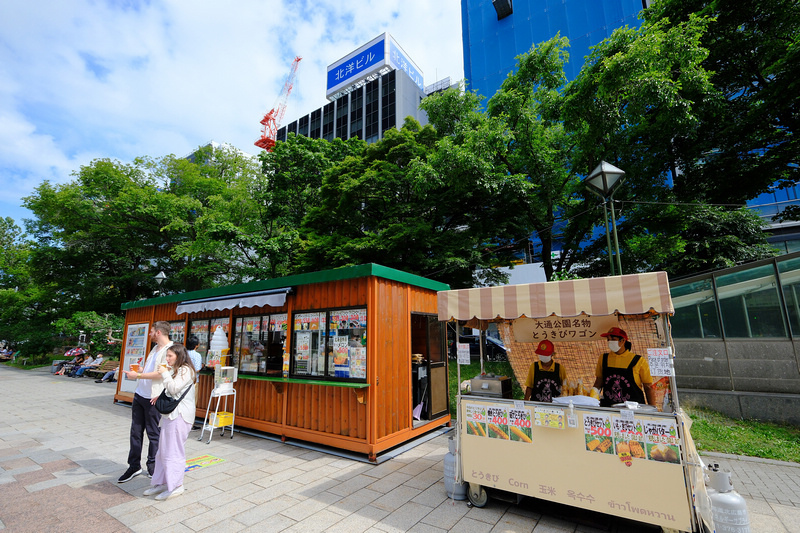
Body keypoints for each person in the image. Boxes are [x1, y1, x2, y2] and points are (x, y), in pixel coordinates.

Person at [118, 321, 173, 483]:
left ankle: (153, 466)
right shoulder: (154, 349)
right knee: (135, 432)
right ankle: (134, 465)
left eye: (152, 331)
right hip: (140, 395)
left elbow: (162, 374)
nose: (149, 334)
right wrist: (141, 371)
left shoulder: (170, 350)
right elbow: (152, 370)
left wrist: (139, 376)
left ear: (158, 333)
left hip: (153, 397)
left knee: (153, 434)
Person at [143, 343, 196, 500]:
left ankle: (176, 486)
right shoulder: (177, 370)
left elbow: (174, 388)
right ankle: (161, 483)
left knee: (173, 451)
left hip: (180, 416)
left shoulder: (187, 370)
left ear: (179, 356)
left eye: (170, 356)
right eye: (167, 356)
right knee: (163, 451)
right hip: (170, 416)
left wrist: (165, 373)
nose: (167, 359)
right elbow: (171, 390)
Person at [593, 327, 656, 407]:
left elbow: (648, 387)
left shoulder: (638, 361)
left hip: (633, 409)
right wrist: (592, 401)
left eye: (613, 339)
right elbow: (599, 382)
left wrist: (653, 408)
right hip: (609, 407)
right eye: (608, 339)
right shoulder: (603, 358)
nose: (610, 342)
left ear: (623, 341)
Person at [185, 335, 203, 430]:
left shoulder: (184, 354)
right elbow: (197, 369)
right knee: (192, 403)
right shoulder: (197, 355)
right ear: (196, 345)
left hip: (183, 381)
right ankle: (190, 424)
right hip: (193, 381)